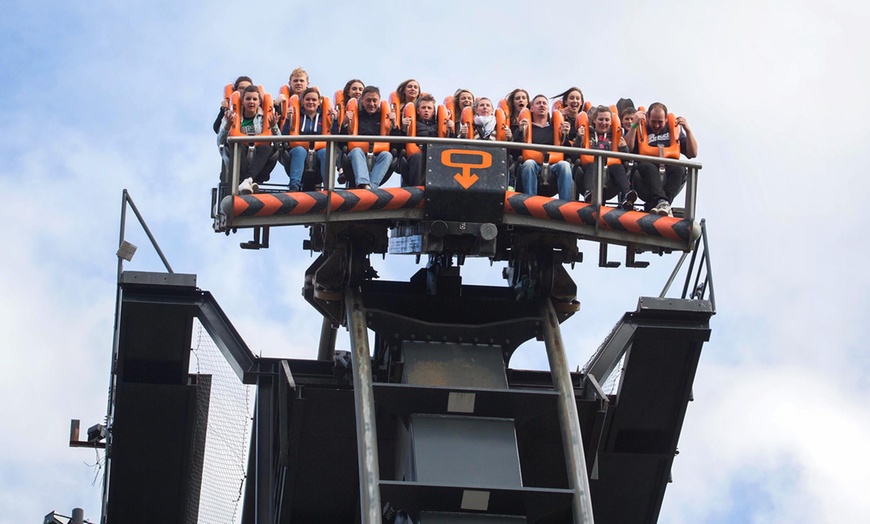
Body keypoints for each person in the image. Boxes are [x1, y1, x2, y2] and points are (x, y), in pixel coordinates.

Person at [625, 102, 698, 216]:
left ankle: (662, 204)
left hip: (667, 172)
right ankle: (661, 202)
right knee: (647, 166)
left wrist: (687, 130)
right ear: (647, 117)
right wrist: (634, 125)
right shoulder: (640, 128)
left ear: (666, 119)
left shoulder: (674, 130)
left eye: (660, 122)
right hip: (643, 176)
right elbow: (627, 149)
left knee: (679, 168)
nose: (657, 125)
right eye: (653, 121)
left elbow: (692, 153)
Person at [217, 85, 280, 194]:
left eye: (254, 99)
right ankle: (249, 180)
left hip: (260, 157)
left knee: (266, 147)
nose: (251, 102)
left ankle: (247, 180)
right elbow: (220, 141)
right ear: (242, 101)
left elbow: (280, 141)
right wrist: (227, 126)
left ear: (259, 102)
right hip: (240, 155)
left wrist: (274, 126)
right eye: (248, 99)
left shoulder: (266, 117)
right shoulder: (231, 115)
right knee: (237, 146)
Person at [513, 94, 574, 201]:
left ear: (548, 109)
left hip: (553, 166)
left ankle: (566, 203)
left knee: (565, 165)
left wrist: (566, 135)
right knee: (529, 164)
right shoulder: (526, 128)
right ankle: (530, 202)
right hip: (534, 165)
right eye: (538, 103)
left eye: (544, 103)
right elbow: (514, 153)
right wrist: (521, 132)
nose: (542, 105)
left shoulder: (555, 129)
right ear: (531, 108)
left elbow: (567, 154)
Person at [578, 105, 636, 209]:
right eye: (600, 119)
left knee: (618, 167)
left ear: (610, 122)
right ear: (594, 120)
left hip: (609, 176)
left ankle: (627, 195)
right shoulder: (587, 134)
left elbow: (625, 159)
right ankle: (589, 193)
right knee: (592, 164)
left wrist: (623, 148)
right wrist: (579, 139)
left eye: (606, 120)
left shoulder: (615, 136)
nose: (603, 123)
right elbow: (574, 156)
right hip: (590, 171)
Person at [340, 86, 396, 189]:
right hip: (358, 152)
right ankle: (363, 184)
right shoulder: (357, 115)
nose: (371, 104)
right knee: (356, 151)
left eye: (375, 101)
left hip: (378, 153)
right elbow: (341, 142)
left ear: (379, 100)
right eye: (368, 100)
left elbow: (397, 143)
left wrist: (394, 125)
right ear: (362, 101)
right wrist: (345, 123)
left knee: (387, 155)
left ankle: (371, 187)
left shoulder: (384, 116)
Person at [281, 87, 329, 191]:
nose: (310, 102)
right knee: (299, 151)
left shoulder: (324, 117)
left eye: (314, 100)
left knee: (326, 152)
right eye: (307, 99)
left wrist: (334, 120)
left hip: (319, 149)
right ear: (303, 101)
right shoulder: (298, 116)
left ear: (319, 102)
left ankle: (328, 187)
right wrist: (288, 119)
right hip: (299, 149)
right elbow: (284, 135)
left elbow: (334, 134)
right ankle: (294, 186)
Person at [401, 94, 444, 186]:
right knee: (417, 157)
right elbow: (399, 144)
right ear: (417, 110)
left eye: (429, 108)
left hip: (435, 152)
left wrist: (450, 130)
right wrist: (403, 129)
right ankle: (417, 188)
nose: (426, 110)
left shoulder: (439, 126)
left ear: (434, 112)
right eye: (423, 107)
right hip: (418, 153)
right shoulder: (414, 124)